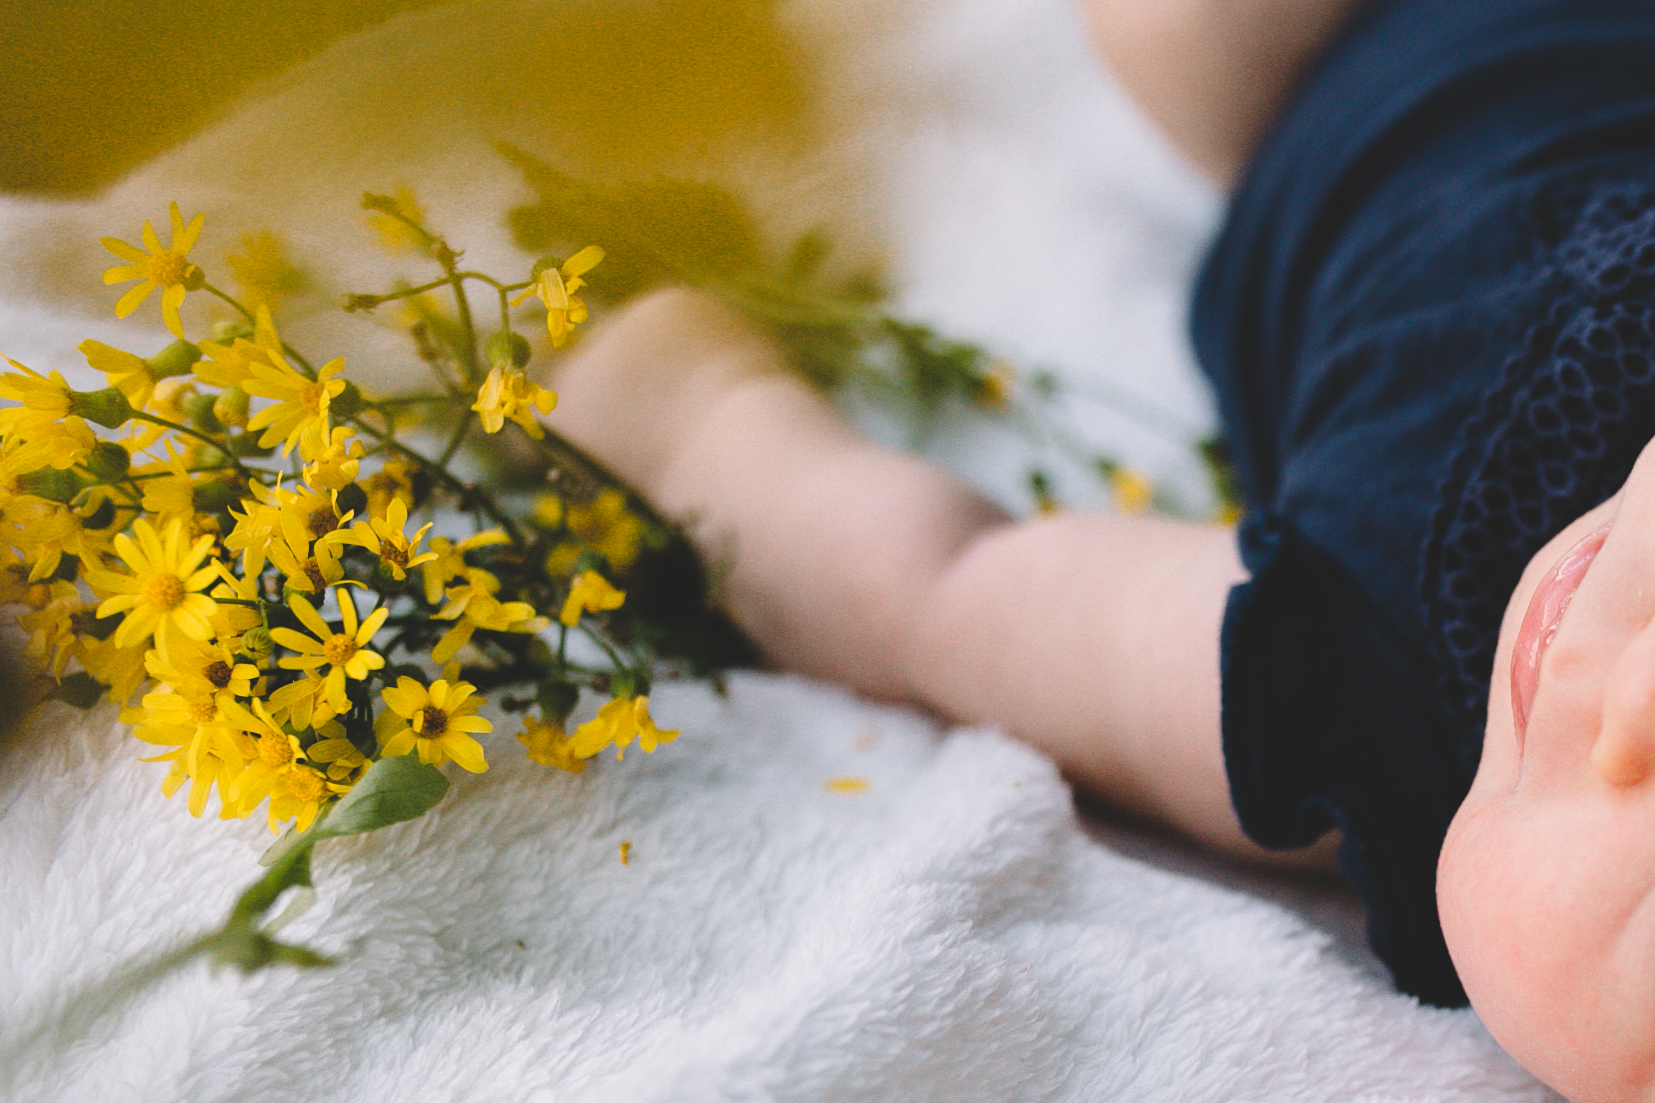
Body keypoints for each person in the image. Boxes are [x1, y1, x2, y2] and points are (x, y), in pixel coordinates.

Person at [548, 1, 1655, 1099]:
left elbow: (946, 593)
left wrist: (691, 422)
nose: (1640, 686)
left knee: (1175, 31)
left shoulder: (1351, 696)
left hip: (1314, 79)